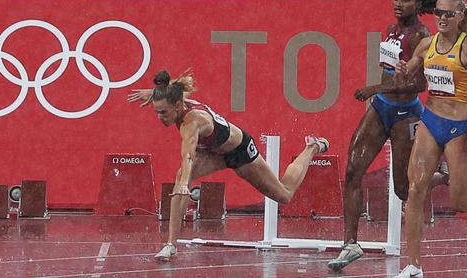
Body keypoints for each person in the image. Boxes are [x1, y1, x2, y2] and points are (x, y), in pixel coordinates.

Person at [127, 69, 329, 261]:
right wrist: (154, 94)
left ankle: (311, 147)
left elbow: (188, 155)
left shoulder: (192, 122)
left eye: (163, 112)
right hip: (214, 153)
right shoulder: (177, 97)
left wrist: (183, 186)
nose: (160, 118)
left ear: (178, 106)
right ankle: (171, 245)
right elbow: (175, 88)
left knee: (284, 195)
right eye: (157, 112)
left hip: (239, 151)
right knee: (181, 177)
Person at [327, 0, 444, 270]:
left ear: (418, 4)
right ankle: (350, 244)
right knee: (353, 170)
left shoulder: (423, 37)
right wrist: (380, 92)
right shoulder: (392, 28)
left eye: (405, 0)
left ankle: (444, 176)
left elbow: (419, 85)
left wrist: (375, 87)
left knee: (403, 191)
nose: (398, 3)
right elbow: (393, 71)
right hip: (382, 108)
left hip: (406, 116)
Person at [393, 0, 467, 278]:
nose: (442, 18)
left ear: (460, 16)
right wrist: (402, 70)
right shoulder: (426, 44)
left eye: (448, 14)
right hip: (430, 122)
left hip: (459, 129)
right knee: (415, 190)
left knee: (461, 203)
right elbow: (408, 77)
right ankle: (414, 265)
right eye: (438, 13)